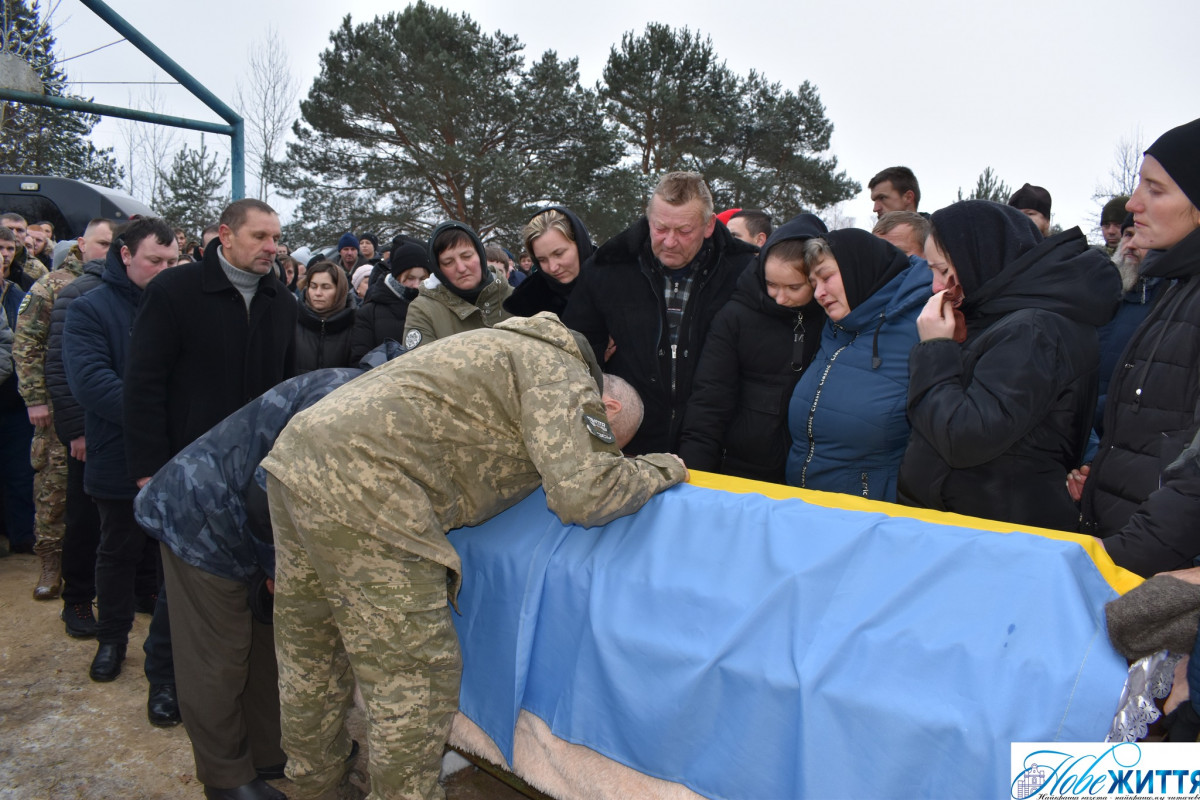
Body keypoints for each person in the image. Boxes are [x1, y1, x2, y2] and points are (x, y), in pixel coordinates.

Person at [261, 313, 689, 799]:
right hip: (367, 485)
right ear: (605, 406)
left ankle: (312, 786)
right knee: (414, 677)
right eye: (610, 445)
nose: (600, 451)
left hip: (298, 457)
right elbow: (586, 492)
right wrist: (659, 469)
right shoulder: (564, 375)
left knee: (310, 646)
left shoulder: (503, 345)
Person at [123, 199, 296, 800]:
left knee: (254, 623)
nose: (272, 247)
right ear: (224, 235)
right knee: (199, 621)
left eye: (277, 237)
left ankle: (264, 749)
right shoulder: (175, 292)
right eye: (260, 236)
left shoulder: (280, 302)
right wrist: (148, 471)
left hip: (254, 485)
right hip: (188, 479)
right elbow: (143, 382)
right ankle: (170, 691)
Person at [897, 201, 1119, 530]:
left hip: (994, 532)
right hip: (967, 522)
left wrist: (933, 349)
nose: (935, 286)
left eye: (943, 270)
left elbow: (964, 438)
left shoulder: (1033, 329)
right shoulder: (998, 314)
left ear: (979, 257)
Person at [62, 218, 180, 728]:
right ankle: (111, 639)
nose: (164, 271)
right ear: (126, 254)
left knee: (169, 560)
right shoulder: (89, 307)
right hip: (117, 451)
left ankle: (167, 660)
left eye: (173, 262)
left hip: (174, 456)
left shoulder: (178, 304)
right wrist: (158, 413)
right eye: (156, 261)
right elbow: (90, 382)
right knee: (117, 549)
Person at [1078, 118, 1200, 576]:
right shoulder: (1177, 288)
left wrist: (1108, 565)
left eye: (1156, 189)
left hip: (1149, 569)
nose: (1133, 205)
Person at [563, 171, 758, 455]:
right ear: (648, 218)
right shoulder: (607, 267)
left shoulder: (745, 271)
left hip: (720, 441)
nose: (669, 241)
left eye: (684, 231)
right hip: (632, 440)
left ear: (709, 225)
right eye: (660, 228)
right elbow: (574, 351)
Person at [678, 213, 828, 482]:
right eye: (771, 285)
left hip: (807, 474)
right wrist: (695, 475)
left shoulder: (831, 320)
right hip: (739, 467)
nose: (780, 298)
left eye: (794, 287)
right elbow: (709, 400)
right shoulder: (735, 317)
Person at [13, 218, 114, 612]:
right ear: (81, 243)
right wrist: (35, 398)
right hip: (56, 409)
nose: (106, 250)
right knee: (53, 489)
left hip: (95, 406)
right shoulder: (52, 284)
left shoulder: (116, 285)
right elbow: (28, 344)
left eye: (111, 244)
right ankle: (50, 564)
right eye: (100, 243)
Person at [785, 229, 930, 500]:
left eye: (826, 277)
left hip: (870, 519)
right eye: (813, 283)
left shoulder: (922, 327)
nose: (819, 292)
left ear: (861, 269)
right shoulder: (836, 327)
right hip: (806, 507)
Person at [402, 221, 513, 350]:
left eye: (467, 256)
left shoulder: (516, 298)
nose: (461, 268)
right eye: (448, 262)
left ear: (480, 255)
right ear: (438, 269)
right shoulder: (423, 310)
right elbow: (419, 365)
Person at [0, 227, 35, 556]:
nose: (5, 254)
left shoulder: (20, 291)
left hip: (14, 398)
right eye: (1, 248)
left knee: (19, 471)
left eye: (9, 249)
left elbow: (22, 344)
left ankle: (23, 535)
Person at [503, 206, 595, 319]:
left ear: (580, 245)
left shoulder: (617, 280)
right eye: (542, 260)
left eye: (559, 253)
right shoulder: (528, 302)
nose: (553, 268)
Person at [350, 238, 429, 363]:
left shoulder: (432, 308)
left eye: (422, 279)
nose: (416, 285)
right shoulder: (369, 313)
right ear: (397, 276)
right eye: (410, 278)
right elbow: (360, 360)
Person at [294, 261, 356, 374]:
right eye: (313, 286)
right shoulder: (292, 321)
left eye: (326, 287)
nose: (318, 293)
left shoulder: (356, 324)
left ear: (339, 290)